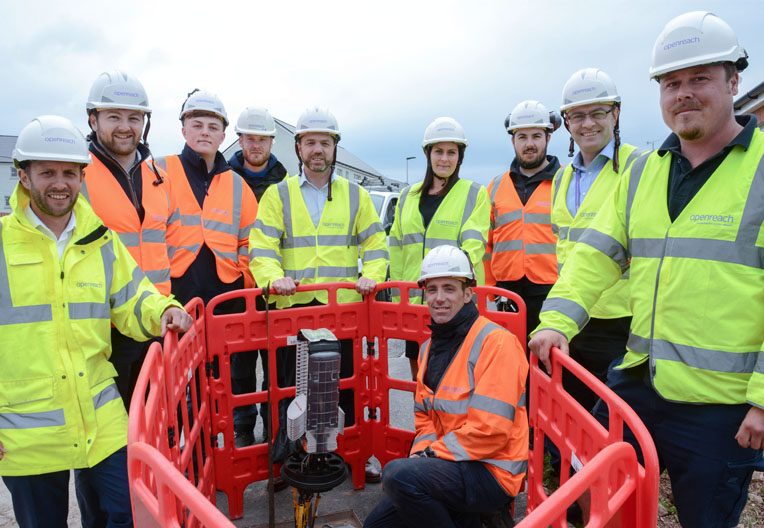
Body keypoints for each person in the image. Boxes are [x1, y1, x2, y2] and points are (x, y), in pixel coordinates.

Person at [530, 11, 764, 527]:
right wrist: (556, 322)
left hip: (720, 408)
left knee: (704, 518)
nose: (684, 93)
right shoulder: (644, 173)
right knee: (593, 485)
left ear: (733, 80)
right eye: (672, 82)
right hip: (641, 385)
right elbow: (594, 255)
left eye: (700, 78)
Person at [0, 115, 192, 528]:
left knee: (126, 515)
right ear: (23, 175)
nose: (59, 183)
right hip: (26, 429)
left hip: (100, 416)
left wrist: (164, 311)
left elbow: (134, 297)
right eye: (47, 172)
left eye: (69, 172)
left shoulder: (98, 239)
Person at [249, 107, 388, 483]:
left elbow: (376, 243)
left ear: (335, 148)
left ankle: (349, 456)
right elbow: (261, 247)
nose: (317, 150)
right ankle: (285, 460)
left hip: (338, 308)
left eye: (324, 143)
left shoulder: (356, 195)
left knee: (343, 386)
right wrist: (273, 278)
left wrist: (371, 277)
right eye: (310, 142)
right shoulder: (278, 195)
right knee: (286, 389)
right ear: (297, 148)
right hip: (289, 309)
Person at [364, 245, 528, 528]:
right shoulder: (429, 348)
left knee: (398, 477)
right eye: (432, 289)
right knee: (376, 524)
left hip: (492, 472)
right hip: (452, 462)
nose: (439, 298)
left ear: (468, 294)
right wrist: (421, 459)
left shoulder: (497, 343)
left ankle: (475, 515)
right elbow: (425, 419)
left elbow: (490, 432)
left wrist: (428, 458)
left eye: (449, 289)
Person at [548, 68, 646, 413]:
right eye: (577, 115)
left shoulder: (640, 166)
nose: (587, 123)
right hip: (574, 319)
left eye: (597, 113)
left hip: (621, 320)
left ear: (615, 114)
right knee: (574, 413)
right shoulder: (562, 177)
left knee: (615, 418)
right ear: (566, 122)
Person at [82, 70, 177, 409]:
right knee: (115, 427)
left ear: (145, 123)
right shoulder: (77, 177)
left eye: (134, 117)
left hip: (154, 321)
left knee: (158, 417)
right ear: (93, 120)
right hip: (104, 328)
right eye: (114, 117)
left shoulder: (158, 178)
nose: (125, 126)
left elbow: (172, 244)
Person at [389, 117, 490, 380]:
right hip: (416, 305)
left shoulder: (474, 194)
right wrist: (402, 296)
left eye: (451, 152)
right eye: (438, 151)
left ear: (460, 157)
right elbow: (397, 249)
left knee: (455, 382)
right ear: (427, 153)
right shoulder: (406, 197)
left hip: (454, 306)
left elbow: (473, 245)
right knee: (419, 381)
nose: (444, 159)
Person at [155, 89, 258, 308]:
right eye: (197, 125)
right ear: (184, 131)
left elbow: (252, 241)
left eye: (212, 128)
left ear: (222, 136)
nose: (205, 133)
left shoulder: (238, 185)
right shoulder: (158, 172)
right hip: (172, 293)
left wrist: (242, 282)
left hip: (226, 296)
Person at [227, 106, 289, 448]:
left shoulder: (284, 183)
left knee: (277, 367)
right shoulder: (224, 179)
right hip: (237, 288)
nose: (256, 145)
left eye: (262, 139)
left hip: (277, 290)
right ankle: (243, 429)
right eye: (250, 138)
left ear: (271, 142)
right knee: (241, 367)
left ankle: (275, 430)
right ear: (240, 140)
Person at [485, 100, 562, 344]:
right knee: (509, 356)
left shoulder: (566, 182)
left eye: (536, 136)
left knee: (548, 363)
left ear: (547, 138)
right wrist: (491, 292)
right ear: (513, 141)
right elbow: (486, 244)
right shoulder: (495, 186)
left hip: (552, 291)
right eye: (522, 137)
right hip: (506, 292)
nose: (529, 144)